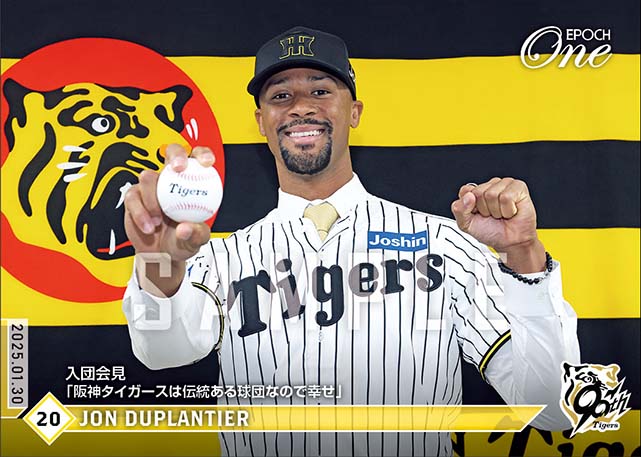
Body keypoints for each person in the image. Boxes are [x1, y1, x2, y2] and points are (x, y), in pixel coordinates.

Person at [122, 26, 580, 457]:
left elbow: (553, 407)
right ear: (261, 121)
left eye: (320, 91)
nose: (300, 107)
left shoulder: (443, 244)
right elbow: (163, 352)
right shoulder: (221, 258)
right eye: (281, 96)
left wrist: (523, 254)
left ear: (355, 111)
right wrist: (159, 262)